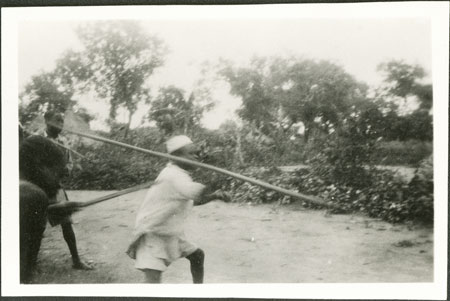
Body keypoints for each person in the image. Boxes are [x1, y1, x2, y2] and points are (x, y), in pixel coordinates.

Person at [126, 135, 230, 283]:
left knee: (197, 256)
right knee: (152, 282)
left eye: (197, 154)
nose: (197, 157)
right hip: (153, 233)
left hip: (169, 232)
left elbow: (191, 200)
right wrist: (214, 176)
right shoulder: (174, 176)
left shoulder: (179, 174)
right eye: (191, 154)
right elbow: (197, 194)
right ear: (175, 157)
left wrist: (214, 196)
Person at [38, 110, 93, 270]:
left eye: (62, 121)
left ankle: (76, 260)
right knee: (37, 226)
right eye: (57, 121)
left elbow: (68, 163)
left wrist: (66, 169)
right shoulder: (36, 140)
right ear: (46, 120)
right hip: (37, 188)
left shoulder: (63, 143)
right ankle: (29, 262)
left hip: (55, 187)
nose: (60, 125)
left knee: (66, 223)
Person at [19, 135, 67, 283]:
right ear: (41, 166)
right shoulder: (33, 194)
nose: (59, 185)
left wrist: (50, 209)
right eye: (57, 175)